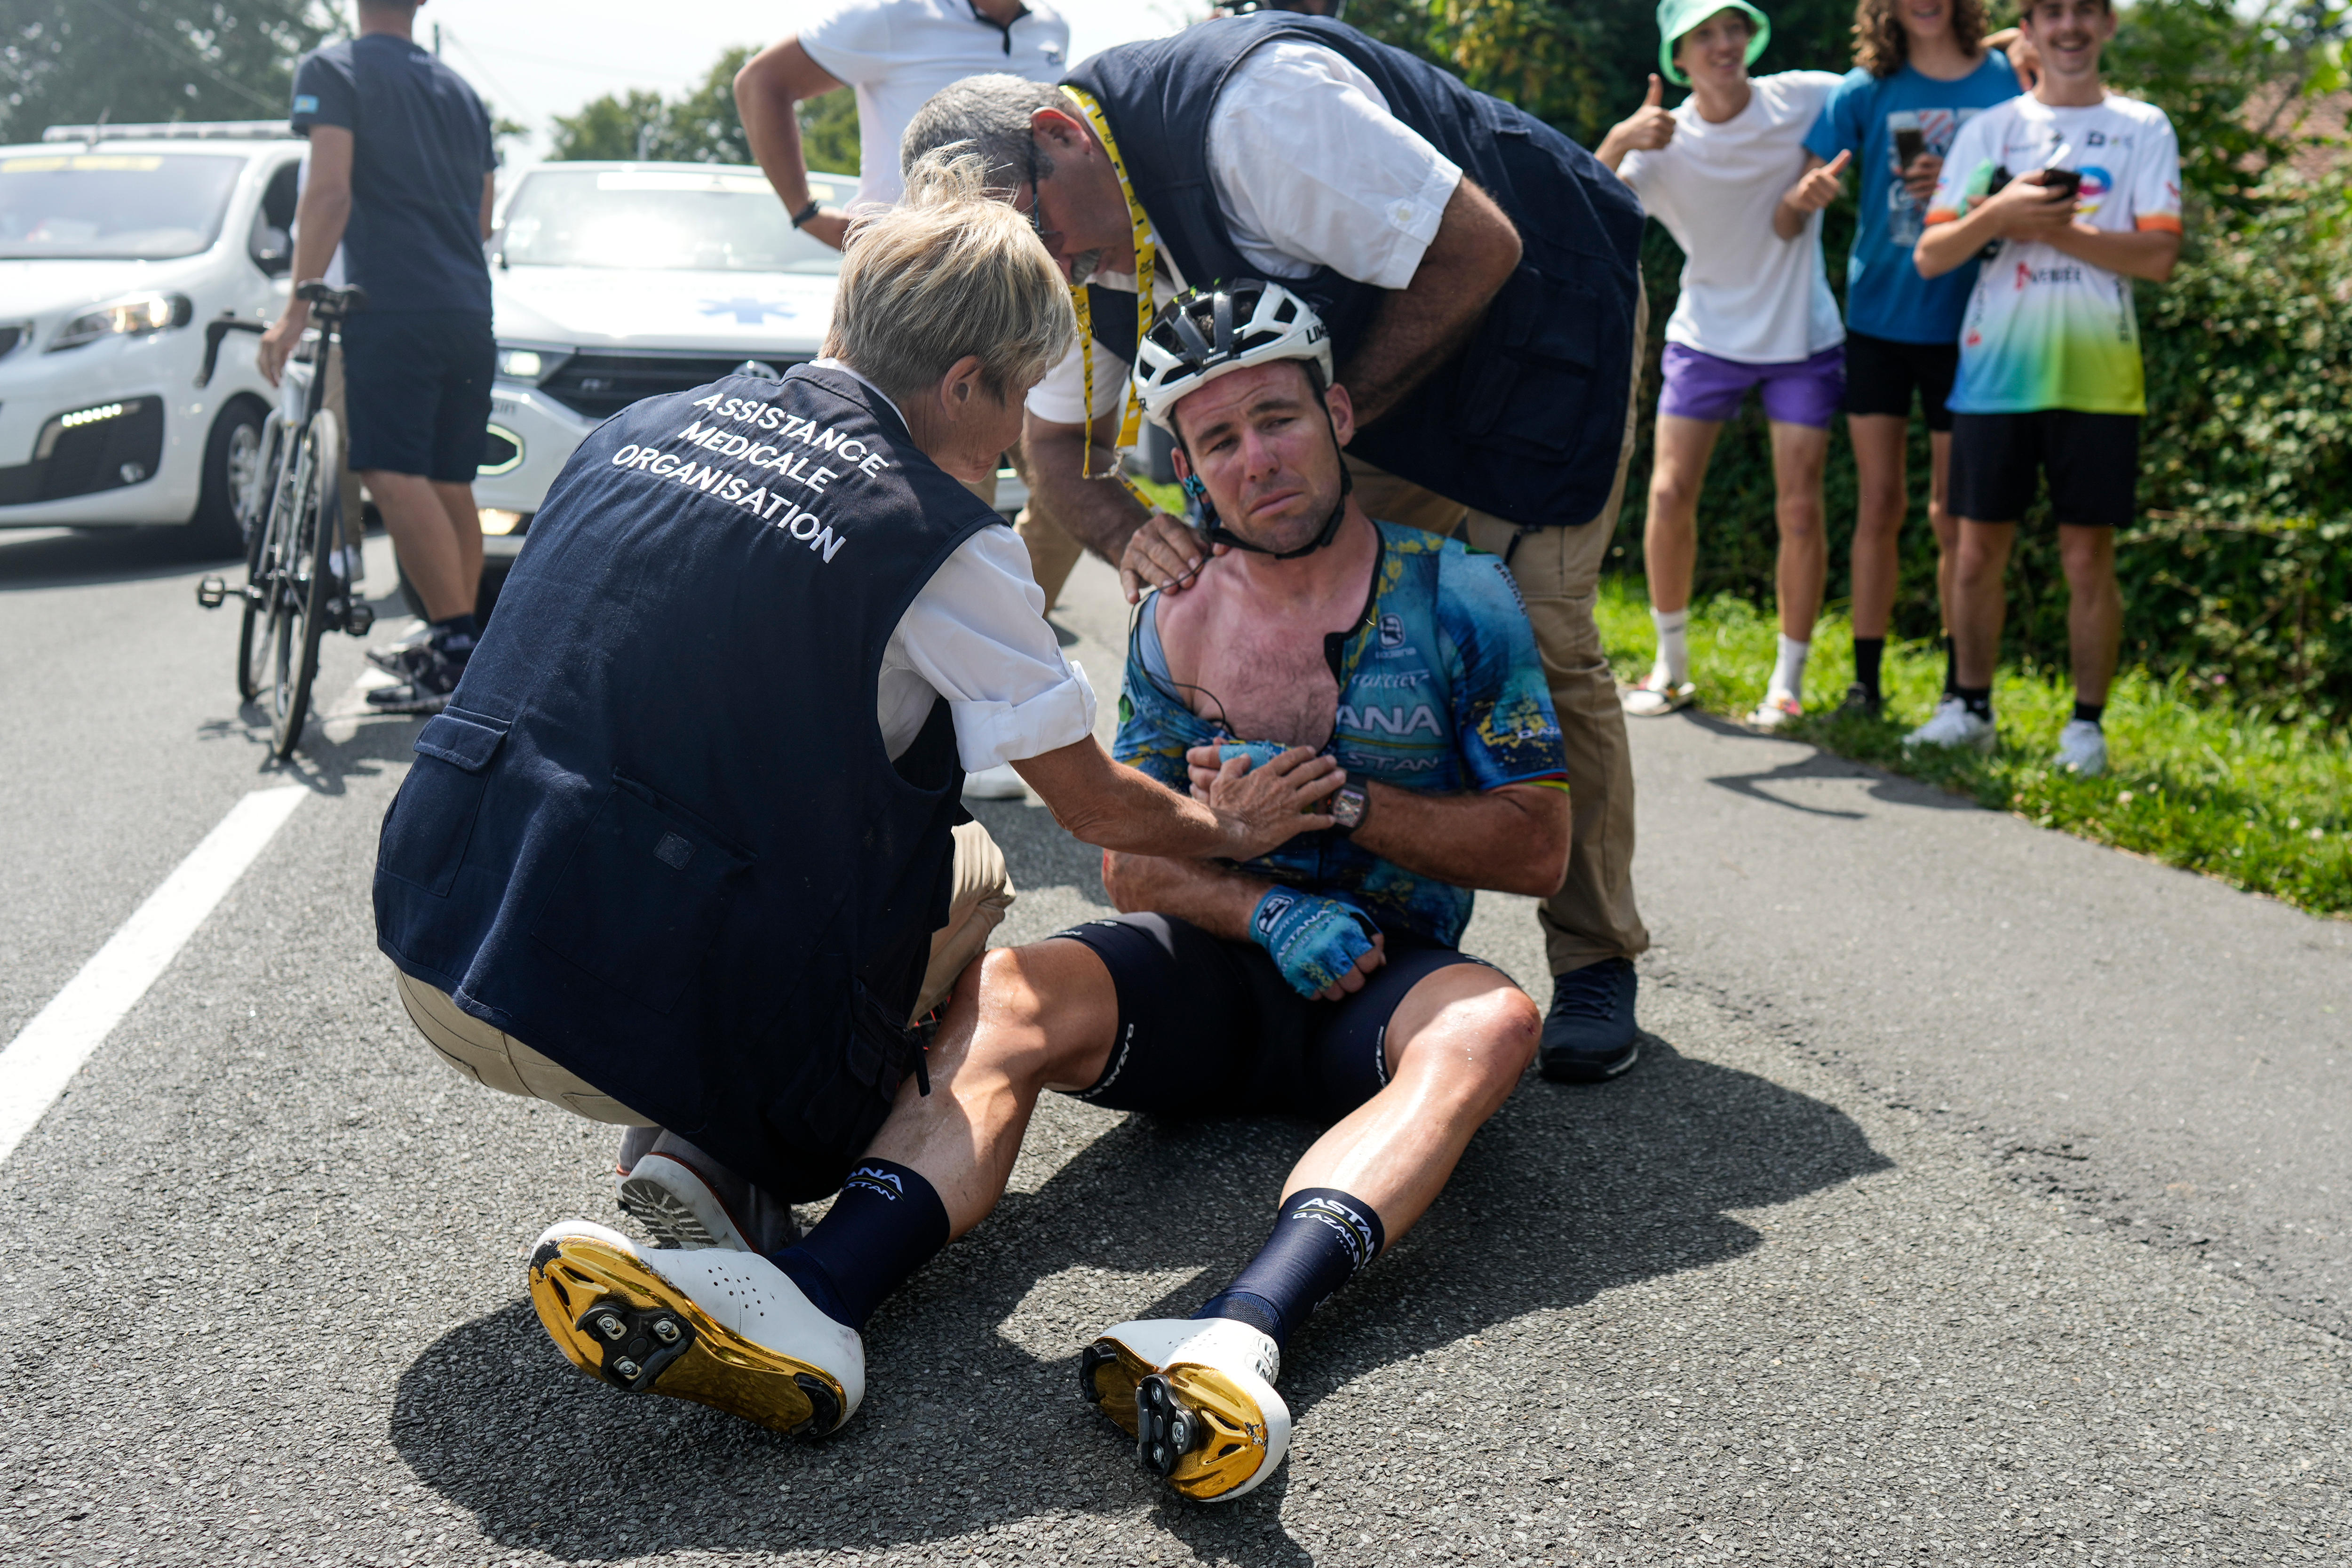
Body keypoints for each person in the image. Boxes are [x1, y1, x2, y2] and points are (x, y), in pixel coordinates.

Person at [525, 282, 1565, 1504]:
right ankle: (817, 1296)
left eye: (1279, 418)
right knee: (1007, 984)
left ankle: (1241, 1334)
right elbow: (1133, 863)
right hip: (1218, 970)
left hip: (1384, 985)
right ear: (1185, 466)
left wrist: (1339, 806)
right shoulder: (1179, 616)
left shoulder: (1462, 595)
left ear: (1337, 410)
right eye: (1220, 440)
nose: (1259, 459)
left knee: (1494, 1019)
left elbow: (1537, 847)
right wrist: (1266, 905)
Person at [376, 159, 1345, 1370]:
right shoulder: (939, 538)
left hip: (437, 943)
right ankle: (733, 1144)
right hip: (603, 1012)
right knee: (974, 869)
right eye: (1013, 406)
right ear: (960, 382)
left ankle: (699, 1154)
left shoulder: (642, 424)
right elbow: (1093, 800)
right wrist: (1232, 833)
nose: (1011, 441)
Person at [898, 8, 1657, 1082]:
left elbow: (1479, 245)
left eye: (1042, 227)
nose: (1052, 259)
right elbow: (1059, 448)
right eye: (1025, 251)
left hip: (1534, 325)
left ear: (1059, 133)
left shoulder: (1257, 115)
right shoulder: (1065, 242)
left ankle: (1593, 956)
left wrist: (1340, 424)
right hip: (1356, 386)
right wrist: (1135, 530)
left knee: (1541, 628)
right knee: (1279, 595)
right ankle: (1318, 894)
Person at [735, 0, 1087, 760]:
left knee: (1069, 487)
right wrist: (807, 214)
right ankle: (924, 723)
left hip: (1030, 304)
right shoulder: (891, 16)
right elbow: (762, 81)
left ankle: (992, 693)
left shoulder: (1050, 29)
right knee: (927, 516)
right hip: (925, 321)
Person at [1904, 0, 2180, 776]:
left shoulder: (2145, 126)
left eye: (2085, 12)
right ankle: (1969, 708)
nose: (2069, 27)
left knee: (2088, 558)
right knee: (1972, 553)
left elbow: (2159, 257)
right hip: (1994, 372)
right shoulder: (1988, 131)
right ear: (2027, 30)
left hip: (2099, 376)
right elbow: (1932, 253)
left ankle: (2086, 730)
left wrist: (2048, 226)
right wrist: (2001, 211)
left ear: (2108, 26)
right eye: (2052, 12)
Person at [1598, 0, 1847, 731]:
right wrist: (1618, 139)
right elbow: (1577, 199)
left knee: (1800, 507)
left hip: (1802, 336)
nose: (1724, 44)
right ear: (1678, 58)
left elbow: (1894, 82)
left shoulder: (1801, 97)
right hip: (1706, 337)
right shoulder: (1660, 142)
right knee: (1670, 494)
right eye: (1704, 34)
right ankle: (1671, 668)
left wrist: (2006, 46)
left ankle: (1788, 683)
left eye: (1735, 27)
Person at [260, 0, 495, 716]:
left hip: (393, 305)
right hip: (468, 306)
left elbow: (328, 192)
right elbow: (484, 213)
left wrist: (295, 310)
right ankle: (470, 649)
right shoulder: (462, 91)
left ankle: (451, 650)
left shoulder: (334, 68)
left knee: (391, 472)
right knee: (451, 482)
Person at [1802, 0, 2017, 716]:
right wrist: (1811, 193)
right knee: (1880, 504)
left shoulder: (2005, 79)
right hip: (1879, 324)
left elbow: (2034, 179)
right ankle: (1866, 686)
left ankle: (1962, 691)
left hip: (1971, 325)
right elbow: (1802, 187)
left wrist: (1969, 191)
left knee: (1955, 515)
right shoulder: (1865, 89)